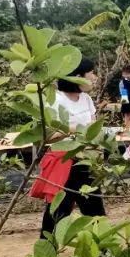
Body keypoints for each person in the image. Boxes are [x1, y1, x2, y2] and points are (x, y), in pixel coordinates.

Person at [30, 58, 104, 239]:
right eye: (91, 73)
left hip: (86, 162)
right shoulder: (56, 101)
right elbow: (46, 136)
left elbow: (94, 130)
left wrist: (98, 152)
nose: (94, 77)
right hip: (64, 164)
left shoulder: (86, 99)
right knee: (57, 215)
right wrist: (75, 129)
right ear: (78, 77)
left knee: (96, 214)